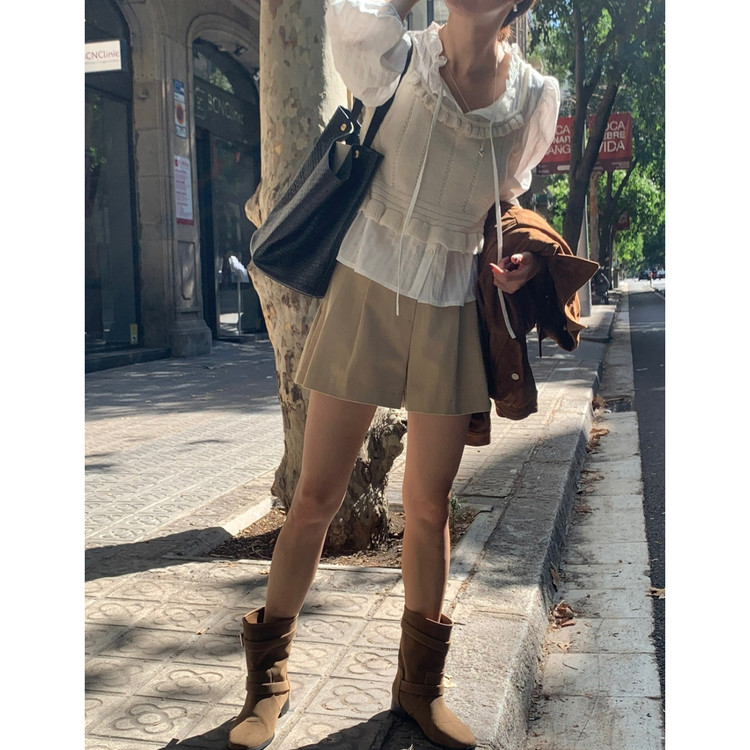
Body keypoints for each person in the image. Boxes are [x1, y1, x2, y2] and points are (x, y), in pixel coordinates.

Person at [228, 2, 560, 749]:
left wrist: (522, 258)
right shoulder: (397, 57)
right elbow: (351, 15)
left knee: (429, 506)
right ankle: (267, 681)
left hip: (450, 304)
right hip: (366, 287)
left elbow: (507, 203)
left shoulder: (534, 98)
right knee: (315, 496)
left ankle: (419, 688)